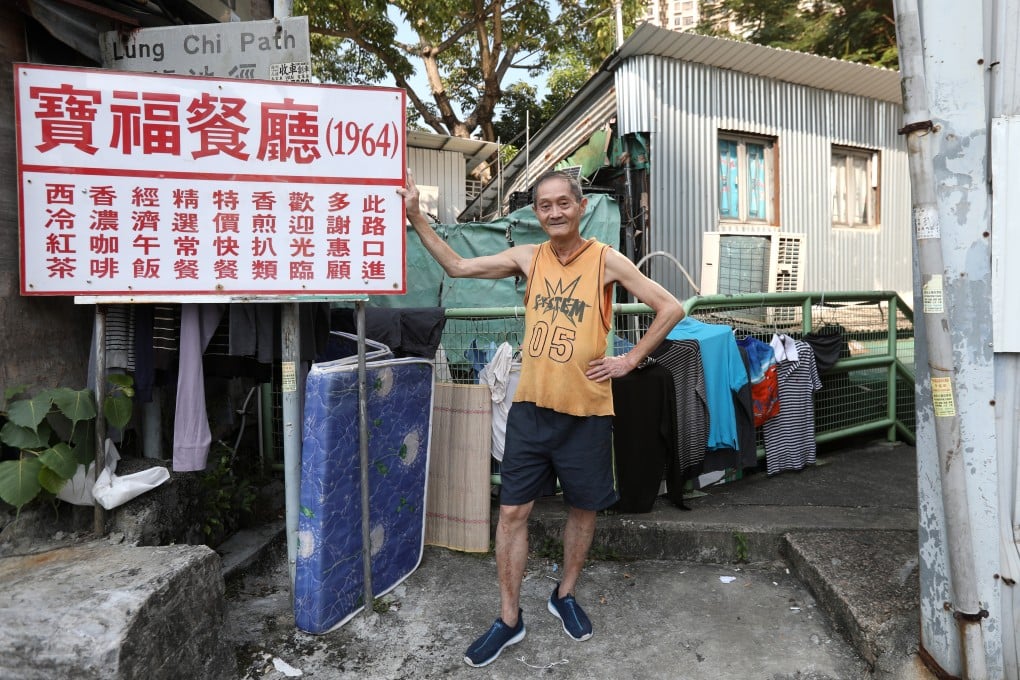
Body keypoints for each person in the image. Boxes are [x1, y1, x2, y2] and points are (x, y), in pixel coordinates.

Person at [398, 169, 686, 668]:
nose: (554, 212)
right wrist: (417, 217)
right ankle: (509, 619)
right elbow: (458, 265)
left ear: (579, 206)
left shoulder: (605, 261)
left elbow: (670, 307)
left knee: (583, 508)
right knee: (511, 513)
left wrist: (628, 360)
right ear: (537, 213)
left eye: (562, 203)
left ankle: (564, 594)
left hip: (587, 413)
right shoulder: (527, 258)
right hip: (531, 408)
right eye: (544, 206)